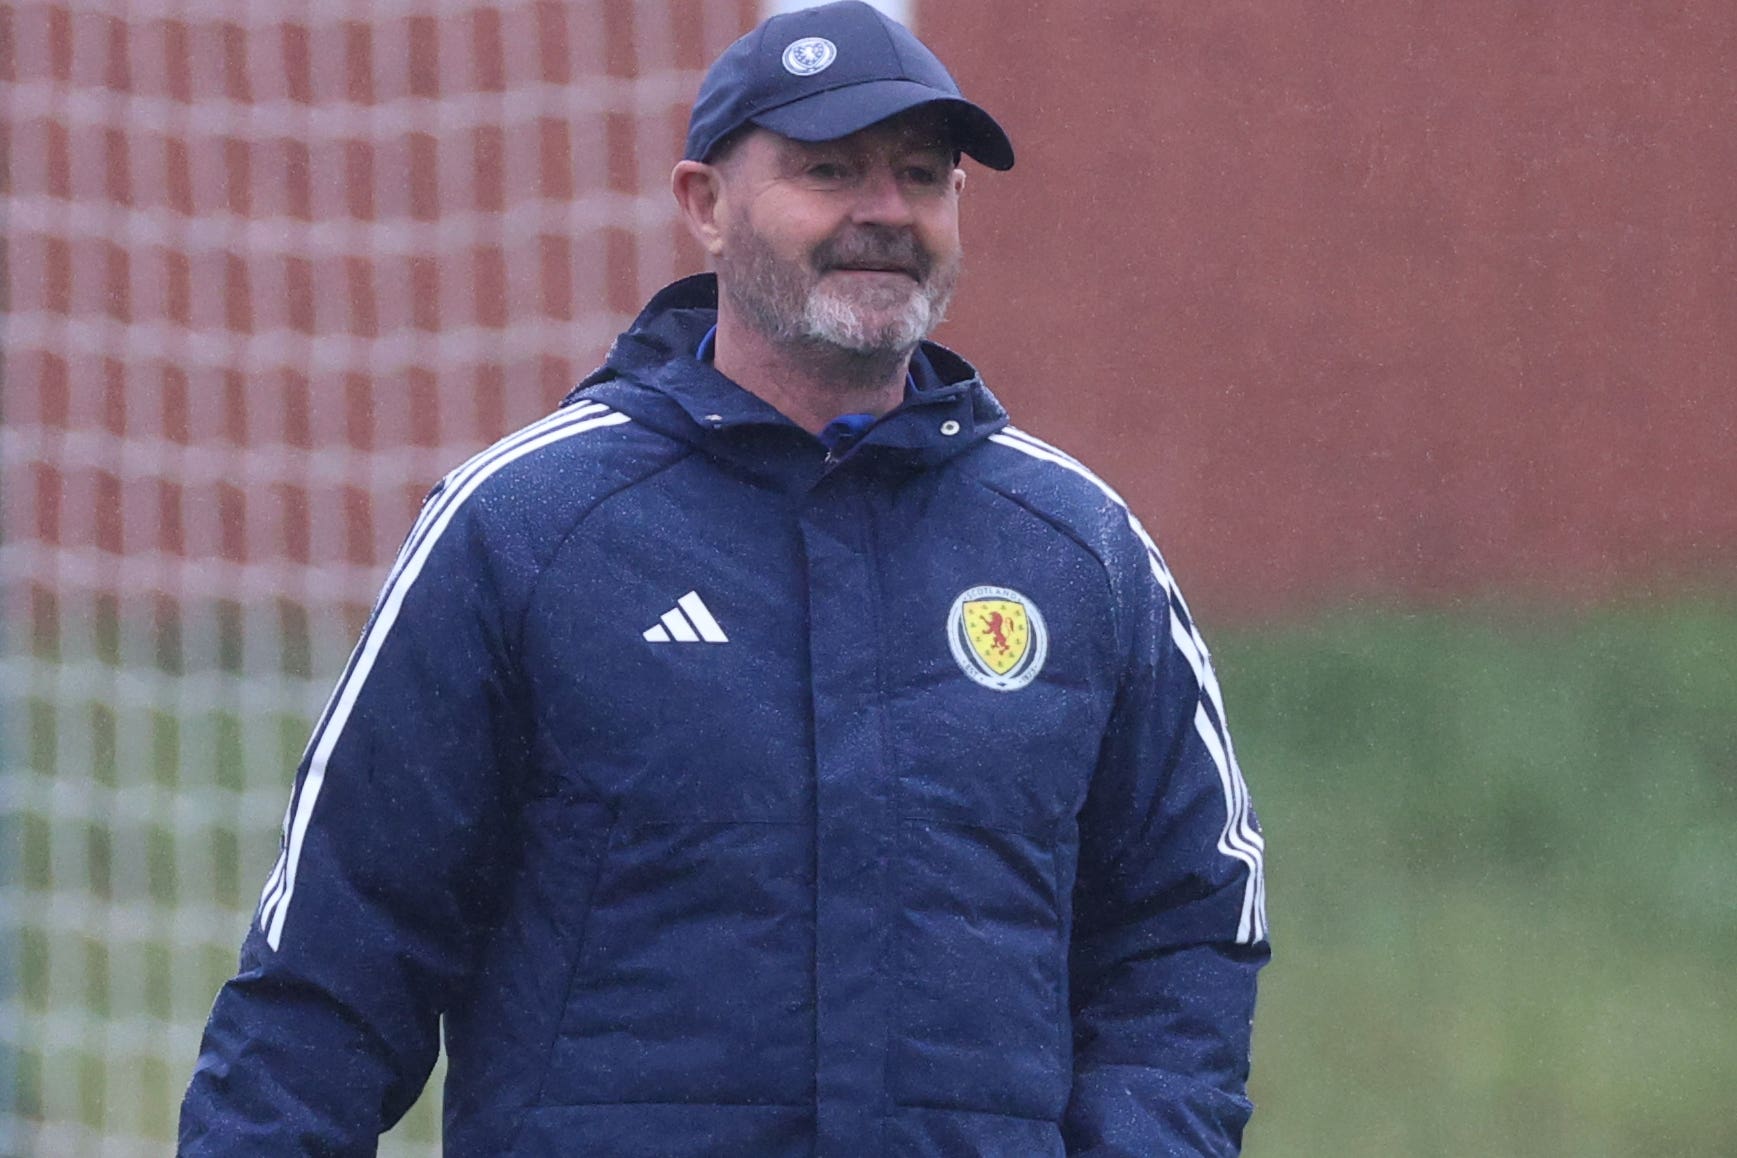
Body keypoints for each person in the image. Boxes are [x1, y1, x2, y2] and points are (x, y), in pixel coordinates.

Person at [178, 3, 1268, 1155]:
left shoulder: (1077, 551)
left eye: (921, 175)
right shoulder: (525, 530)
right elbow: (337, 967)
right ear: (703, 203)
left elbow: (1185, 934)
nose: (885, 213)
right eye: (829, 170)